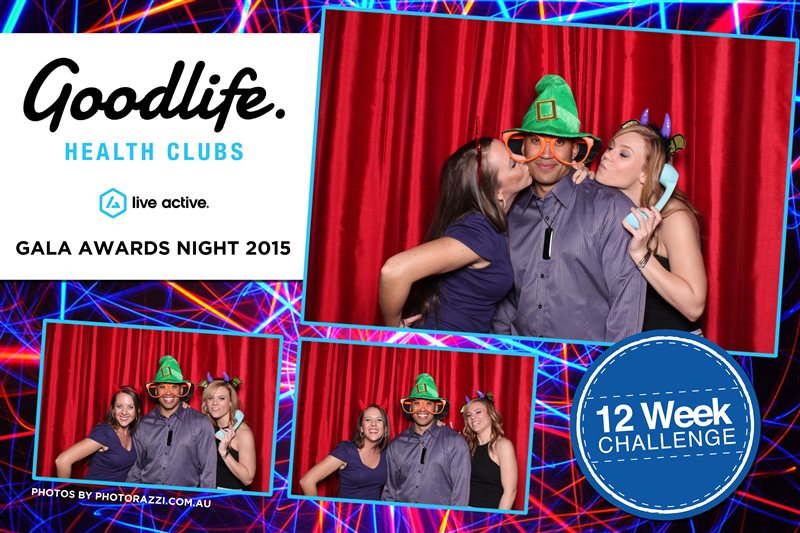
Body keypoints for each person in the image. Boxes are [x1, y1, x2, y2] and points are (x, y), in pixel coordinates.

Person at [493, 74, 646, 342]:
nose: (546, 154)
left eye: (559, 142)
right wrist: (502, 355)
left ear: (575, 151)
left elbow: (626, 306)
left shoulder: (610, 209)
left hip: (587, 364)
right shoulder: (511, 211)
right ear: (523, 146)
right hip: (523, 360)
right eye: (537, 140)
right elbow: (507, 302)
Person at [379, 135, 531, 333]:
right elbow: (394, 271)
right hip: (442, 346)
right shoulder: (479, 230)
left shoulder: (490, 225)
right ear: (497, 192)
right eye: (513, 164)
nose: (523, 159)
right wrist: (393, 334)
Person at [589, 112, 706, 332]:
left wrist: (641, 254)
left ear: (645, 173)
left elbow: (694, 306)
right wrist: (577, 184)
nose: (607, 156)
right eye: (611, 147)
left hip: (671, 345)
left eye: (623, 154)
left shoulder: (675, 218)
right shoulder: (612, 206)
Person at [126, 355, 217, 488]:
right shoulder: (143, 424)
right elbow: (136, 468)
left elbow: (208, 472)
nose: (168, 392)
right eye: (162, 386)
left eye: (174, 386)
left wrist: (204, 500)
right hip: (149, 497)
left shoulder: (200, 423)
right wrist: (129, 496)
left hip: (185, 499)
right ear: (156, 390)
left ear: (181, 389)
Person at [382, 373, 471, 506]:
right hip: (403, 518)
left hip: (441, 519)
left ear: (436, 407)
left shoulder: (455, 443)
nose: (422, 409)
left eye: (428, 403)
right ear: (410, 407)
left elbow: (460, 498)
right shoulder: (396, 445)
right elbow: (390, 493)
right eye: (417, 403)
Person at [299, 404, 389, 500]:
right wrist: (318, 508)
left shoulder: (387, 454)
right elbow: (306, 481)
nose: (373, 424)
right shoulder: (347, 451)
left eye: (379, 420)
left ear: (385, 429)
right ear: (361, 428)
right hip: (348, 509)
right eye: (368, 419)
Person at [55, 386, 142, 482]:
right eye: (119, 406)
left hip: (117, 491)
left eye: (130, 407)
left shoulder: (134, 433)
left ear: (137, 411)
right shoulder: (105, 432)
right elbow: (62, 461)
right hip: (96, 491)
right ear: (113, 410)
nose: (124, 412)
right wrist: (65, 490)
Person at [200, 374, 256, 489]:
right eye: (210, 398)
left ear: (230, 402)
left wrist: (224, 452)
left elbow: (248, 479)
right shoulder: (207, 426)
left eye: (221, 398)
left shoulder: (243, 433)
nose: (214, 403)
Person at [462, 394, 517, 509]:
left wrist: (499, 518)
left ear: (490, 415)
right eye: (469, 415)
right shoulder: (469, 447)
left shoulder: (503, 445)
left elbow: (510, 491)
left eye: (478, 412)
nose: (473, 417)